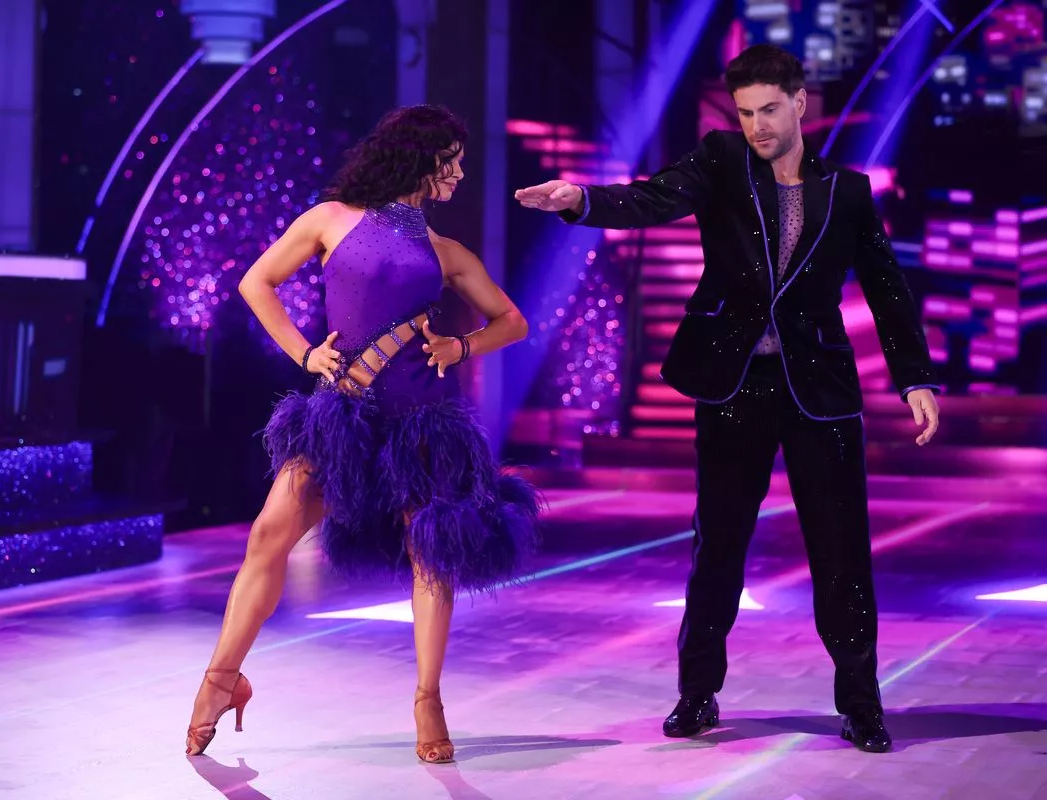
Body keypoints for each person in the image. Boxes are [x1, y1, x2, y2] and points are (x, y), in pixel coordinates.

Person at [514, 44, 941, 753]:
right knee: (718, 545)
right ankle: (697, 694)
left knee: (841, 550)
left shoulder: (847, 191)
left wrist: (914, 376)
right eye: (745, 113)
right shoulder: (720, 161)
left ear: (799, 103)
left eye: (769, 109)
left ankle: (862, 704)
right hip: (735, 382)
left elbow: (886, 286)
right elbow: (652, 197)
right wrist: (583, 201)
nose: (757, 126)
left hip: (821, 391)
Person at [186, 104, 541, 763]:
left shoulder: (444, 251)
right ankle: (222, 680)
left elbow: (512, 321)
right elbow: (256, 282)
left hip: (420, 421)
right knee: (267, 536)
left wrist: (461, 347)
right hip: (340, 417)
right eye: (452, 162)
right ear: (419, 158)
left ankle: (428, 700)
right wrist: (303, 353)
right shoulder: (330, 219)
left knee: (431, 552)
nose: (460, 174)